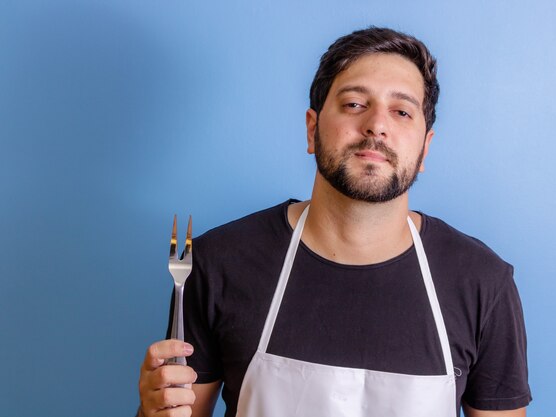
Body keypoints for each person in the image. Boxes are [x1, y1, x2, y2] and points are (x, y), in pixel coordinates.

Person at [137, 27, 531, 417]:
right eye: (355, 104)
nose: (377, 125)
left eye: (401, 111)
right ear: (312, 129)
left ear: (425, 147)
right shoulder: (217, 263)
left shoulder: (482, 283)